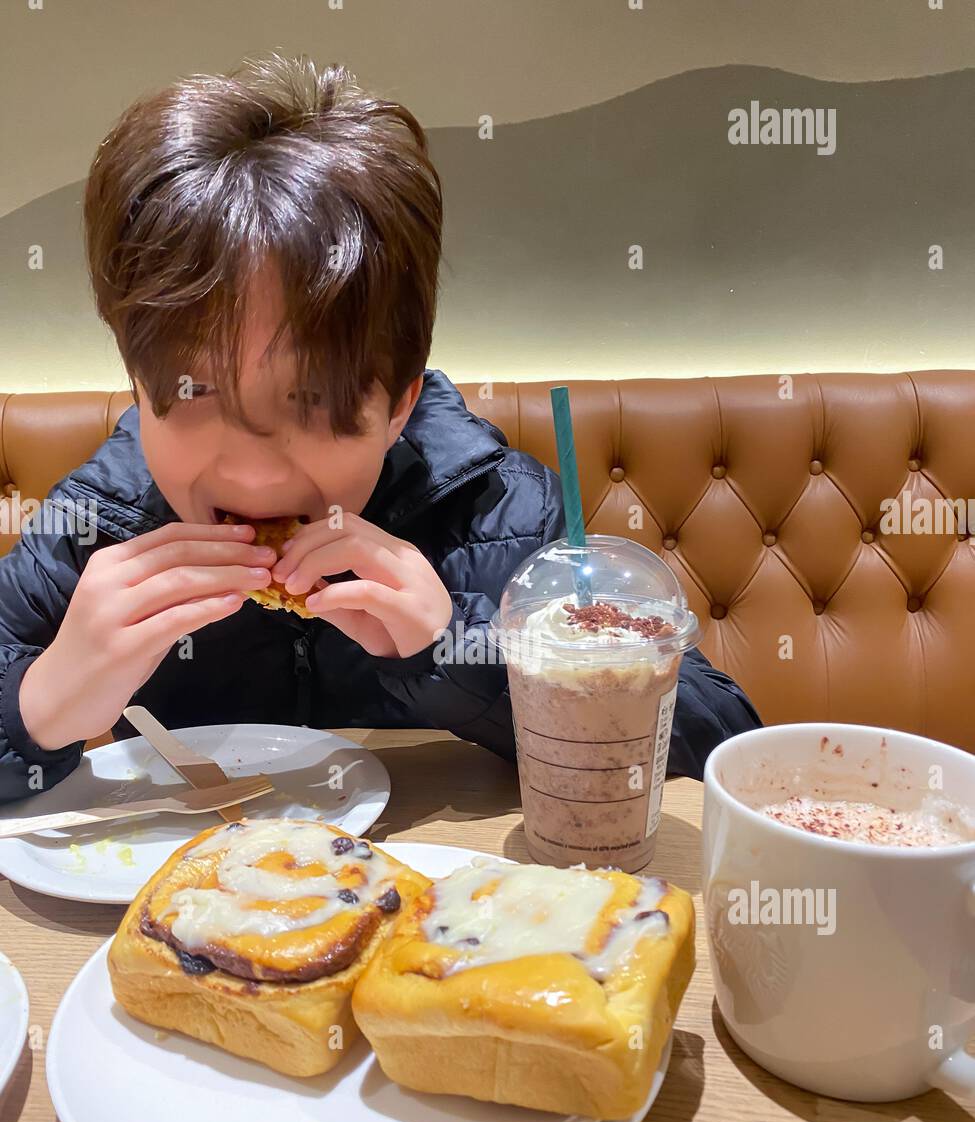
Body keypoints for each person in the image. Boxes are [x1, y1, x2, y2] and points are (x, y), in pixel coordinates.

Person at [0, 53, 760, 805]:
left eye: (315, 401)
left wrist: (456, 648)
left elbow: (717, 740)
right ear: (137, 386)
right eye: (193, 392)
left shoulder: (495, 509)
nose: (256, 478)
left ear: (400, 400)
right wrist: (39, 703)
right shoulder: (104, 520)